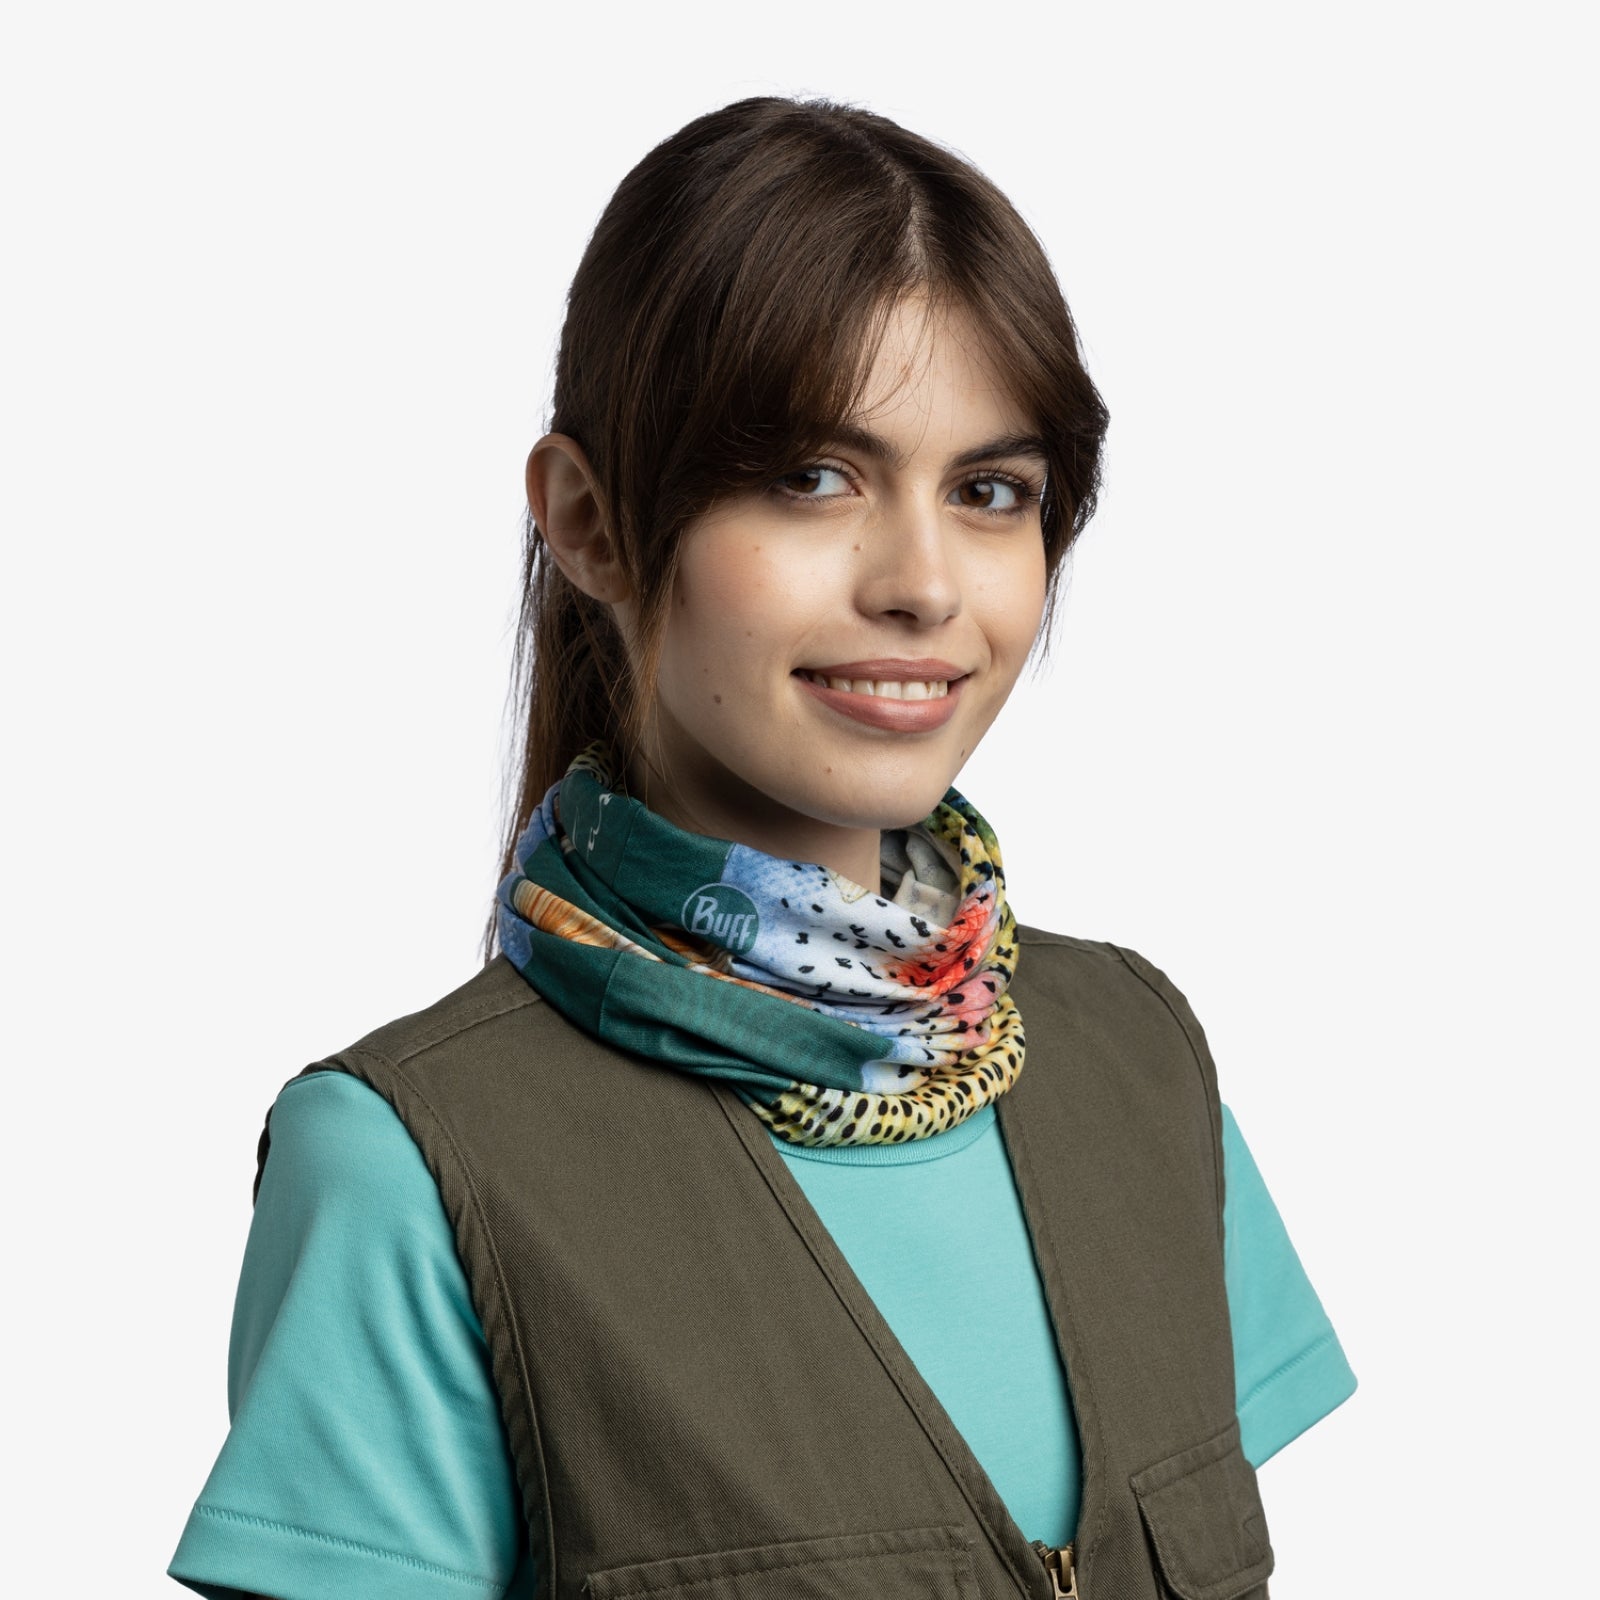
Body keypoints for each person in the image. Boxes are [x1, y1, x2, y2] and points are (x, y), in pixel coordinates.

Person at [169, 96, 1355, 1600]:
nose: (924, 584)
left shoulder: (1138, 1059)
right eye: (811, 477)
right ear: (590, 523)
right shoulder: (409, 1164)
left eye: (990, 492)